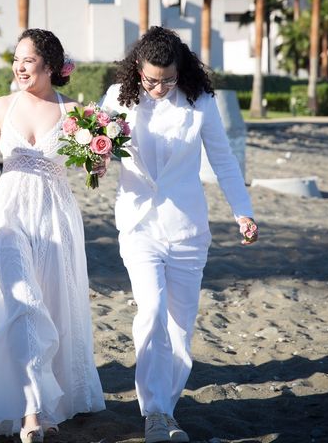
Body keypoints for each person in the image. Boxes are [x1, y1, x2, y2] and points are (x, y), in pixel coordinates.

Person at [0, 28, 105, 443]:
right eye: (16, 59)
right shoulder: (1, 105)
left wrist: (97, 165)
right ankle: (32, 412)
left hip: (54, 216)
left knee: (50, 304)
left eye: (27, 60)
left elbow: (90, 168)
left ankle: (47, 401)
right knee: (23, 302)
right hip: (7, 213)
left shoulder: (74, 111)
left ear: (49, 64)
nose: (19, 67)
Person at [98, 26, 259, 443]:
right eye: (151, 79)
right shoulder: (118, 98)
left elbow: (223, 161)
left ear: (179, 70)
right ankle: (153, 413)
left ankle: (166, 410)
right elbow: (98, 154)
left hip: (188, 229)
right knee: (150, 312)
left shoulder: (200, 102)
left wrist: (243, 213)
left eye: (167, 79)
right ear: (138, 68)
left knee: (180, 328)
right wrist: (94, 163)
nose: (159, 87)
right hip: (139, 226)